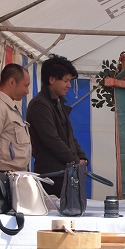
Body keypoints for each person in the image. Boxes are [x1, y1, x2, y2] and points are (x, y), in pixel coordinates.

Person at [27, 54, 88, 195]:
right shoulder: (39, 105)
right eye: (66, 80)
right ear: (52, 79)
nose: (69, 85)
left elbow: (70, 136)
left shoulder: (58, 102)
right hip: (52, 176)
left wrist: (82, 156)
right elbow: (52, 140)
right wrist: (75, 160)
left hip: (66, 173)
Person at [0, 64, 31, 172]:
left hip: (14, 178)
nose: (27, 91)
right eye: (26, 85)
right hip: (4, 177)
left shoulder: (10, 107)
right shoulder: (1, 107)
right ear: (12, 82)